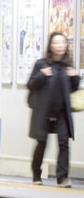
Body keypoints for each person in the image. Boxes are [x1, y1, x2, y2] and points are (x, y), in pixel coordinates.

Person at [27, 31, 79, 186]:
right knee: (41, 142)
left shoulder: (67, 66)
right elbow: (31, 84)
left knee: (64, 143)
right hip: (43, 113)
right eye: (56, 43)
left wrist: (75, 77)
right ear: (50, 45)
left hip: (62, 113)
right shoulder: (42, 64)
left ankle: (62, 178)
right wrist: (42, 75)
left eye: (63, 42)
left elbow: (73, 89)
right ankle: (36, 174)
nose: (60, 46)